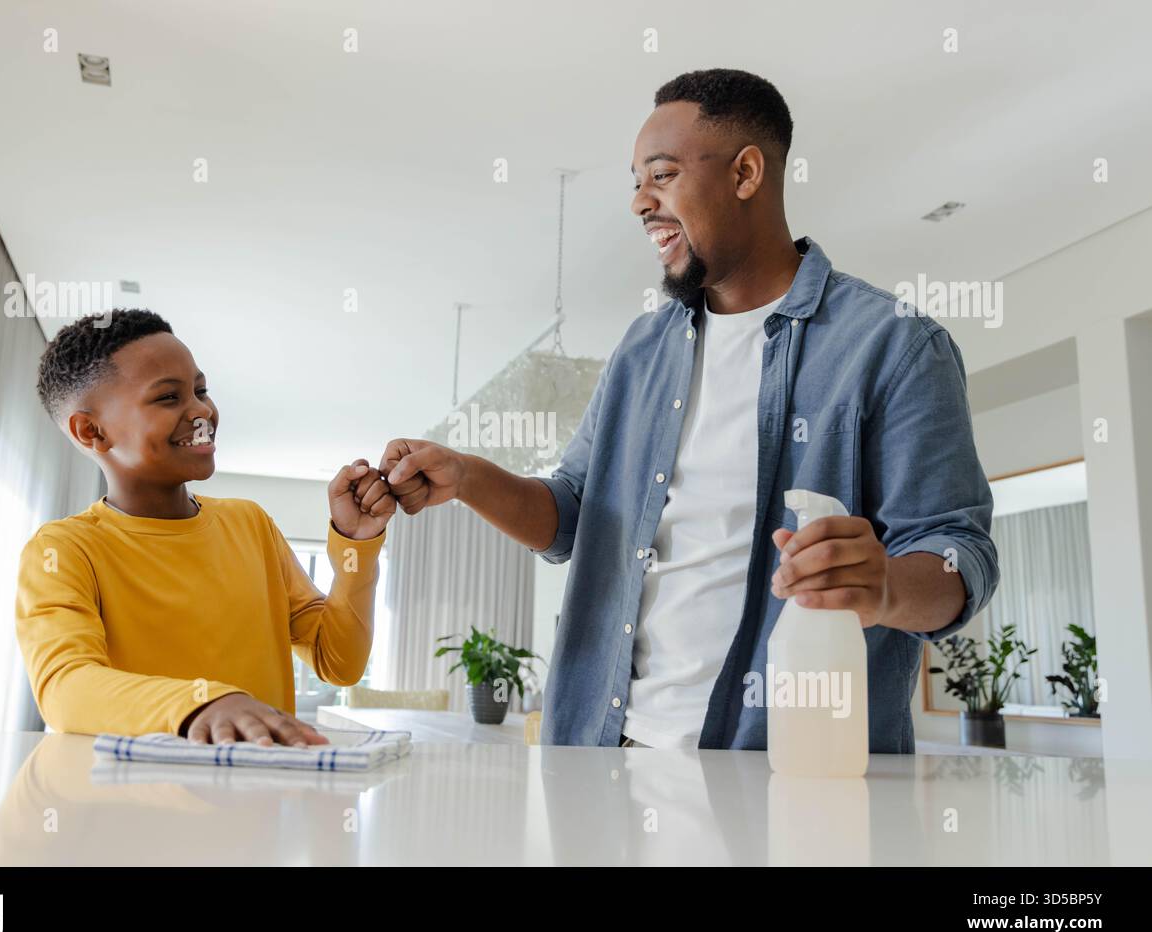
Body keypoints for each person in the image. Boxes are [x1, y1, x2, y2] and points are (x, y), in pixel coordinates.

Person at [380, 68, 999, 751]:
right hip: (601, 757)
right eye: (636, 182)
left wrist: (881, 585)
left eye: (662, 174)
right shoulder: (642, 350)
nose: (641, 203)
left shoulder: (893, 345)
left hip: (781, 777)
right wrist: (466, 476)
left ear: (745, 173)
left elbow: (957, 555)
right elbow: (575, 515)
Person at [15, 309, 394, 744]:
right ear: (91, 431)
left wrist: (356, 546)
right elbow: (66, 690)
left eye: (201, 389)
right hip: (127, 806)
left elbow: (339, 662)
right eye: (168, 398)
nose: (201, 411)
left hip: (258, 799)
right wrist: (203, 702)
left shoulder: (250, 524)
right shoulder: (64, 549)